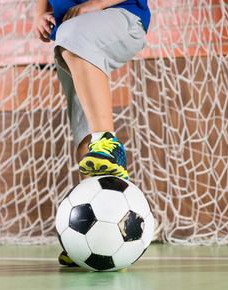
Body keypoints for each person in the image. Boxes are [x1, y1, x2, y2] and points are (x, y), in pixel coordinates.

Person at [33, 0, 151, 265]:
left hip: (123, 16)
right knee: (83, 126)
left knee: (73, 36)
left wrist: (95, 4)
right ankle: (89, 238)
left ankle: (109, 144)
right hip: (69, 34)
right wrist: (40, 13)